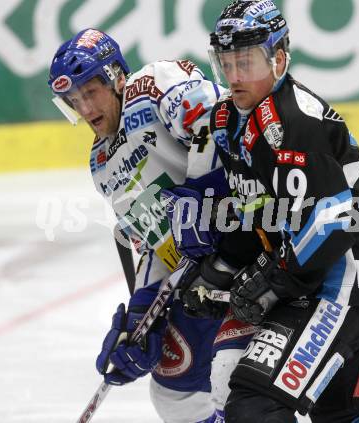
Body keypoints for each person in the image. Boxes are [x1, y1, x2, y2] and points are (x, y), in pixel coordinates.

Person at [177, 1, 359, 422]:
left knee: (253, 402)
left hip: (351, 274)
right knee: (343, 415)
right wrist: (219, 272)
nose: (233, 75)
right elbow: (261, 213)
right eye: (225, 62)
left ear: (278, 58)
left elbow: (335, 223)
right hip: (353, 269)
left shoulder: (292, 119)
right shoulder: (230, 120)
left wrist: (270, 282)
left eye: (245, 61)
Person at [47, 28, 251, 423]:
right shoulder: (102, 166)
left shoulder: (155, 86)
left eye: (90, 92)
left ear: (117, 77)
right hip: (208, 272)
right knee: (175, 391)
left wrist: (199, 198)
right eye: (74, 100)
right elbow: (160, 243)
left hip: (258, 235)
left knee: (240, 385)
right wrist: (141, 310)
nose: (85, 108)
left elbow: (224, 124)